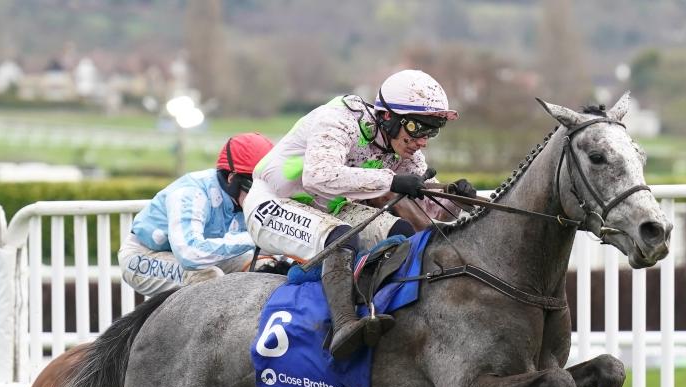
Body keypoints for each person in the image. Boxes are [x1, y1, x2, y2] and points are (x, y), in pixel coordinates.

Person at [243, 69, 477, 358]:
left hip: (330, 209)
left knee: (402, 233)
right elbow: (318, 176)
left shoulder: (403, 149)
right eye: (418, 128)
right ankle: (344, 326)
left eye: (431, 131)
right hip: (273, 204)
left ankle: (386, 310)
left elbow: (432, 209)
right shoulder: (340, 120)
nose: (423, 141)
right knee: (341, 237)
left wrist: (456, 200)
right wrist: (391, 181)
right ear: (388, 117)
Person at [120, 132, 276, 296]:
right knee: (210, 278)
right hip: (144, 255)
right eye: (256, 188)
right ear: (232, 179)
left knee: (269, 267)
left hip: (200, 257)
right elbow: (190, 255)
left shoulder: (240, 197)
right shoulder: (191, 193)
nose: (262, 198)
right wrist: (254, 237)